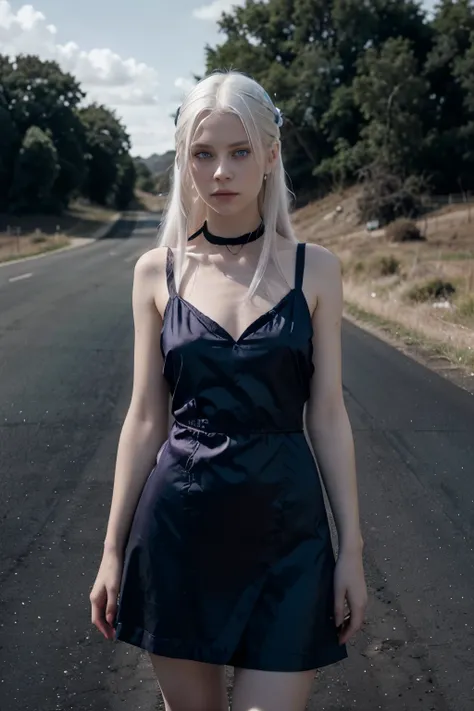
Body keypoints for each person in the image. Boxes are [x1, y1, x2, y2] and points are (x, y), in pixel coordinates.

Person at [90, 70, 367, 711]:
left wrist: (350, 551)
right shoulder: (156, 272)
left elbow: (328, 417)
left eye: (240, 152)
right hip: (179, 534)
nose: (222, 172)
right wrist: (110, 550)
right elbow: (143, 421)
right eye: (204, 154)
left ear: (270, 156)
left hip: (288, 535)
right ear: (185, 161)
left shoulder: (315, 269)